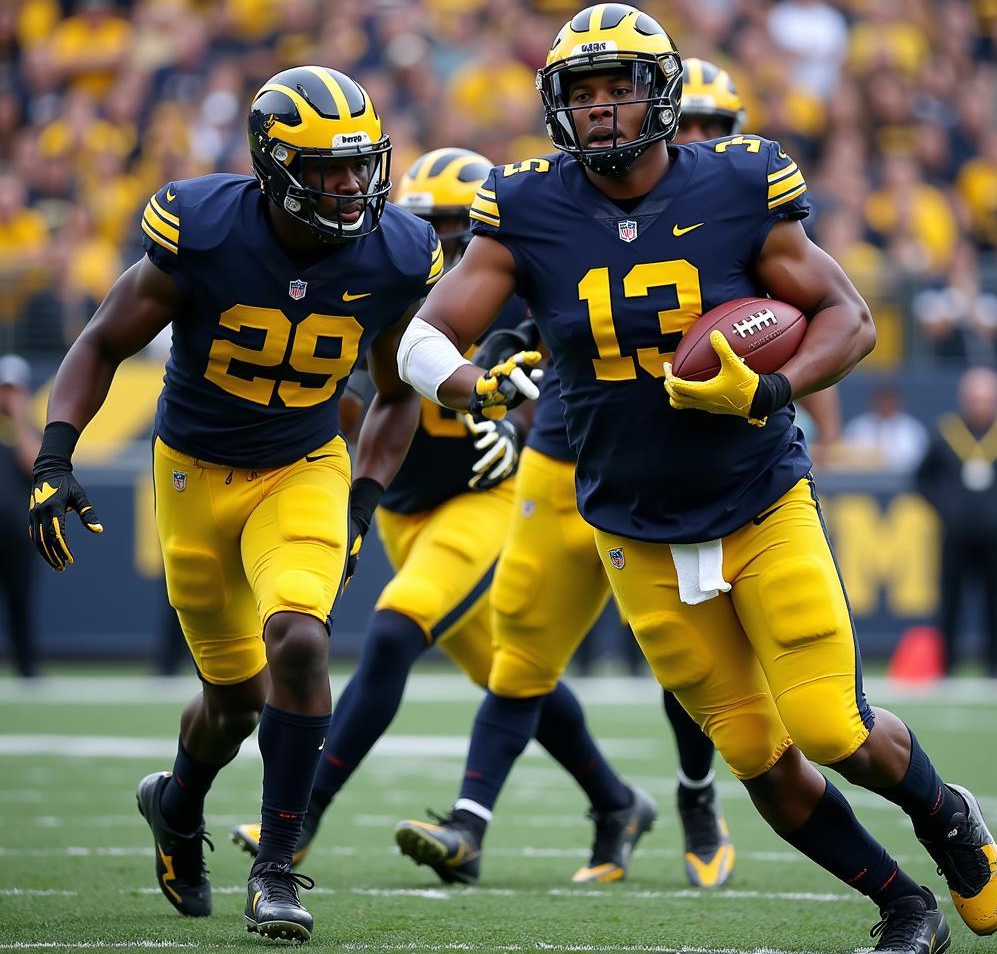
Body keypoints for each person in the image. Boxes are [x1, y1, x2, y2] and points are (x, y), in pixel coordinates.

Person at [394, 5, 997, 952]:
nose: (602, 110)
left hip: (759, 501)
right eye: (583, 93)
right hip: (632, 529)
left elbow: (849, 318)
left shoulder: (738, 185)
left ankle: (946, 818)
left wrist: (770, 390)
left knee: (830, 728)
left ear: (664, 93)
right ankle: (902, 904)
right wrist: (477, 383)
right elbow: (423, 339)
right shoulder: (525, 205)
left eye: (621, 87)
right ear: (558, 107)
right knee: (758, 757)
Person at [26, 65, 444, 943]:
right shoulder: (206, 230)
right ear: (273, 166)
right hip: (193, 473)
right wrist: (54, 457)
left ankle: (276, 869)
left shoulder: (398, 251)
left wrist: (363, 500)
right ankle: (177, 805)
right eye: (327, 169)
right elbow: (102, 339)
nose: (349, 185)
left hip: (304, 464)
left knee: (300, 636)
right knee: (234, 703)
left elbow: (399, 389)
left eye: (359, 165)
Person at [229, 148, 653, 884]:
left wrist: (518, 429)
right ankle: (616, 803)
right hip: (404, 511)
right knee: (513, 674)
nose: (448, 247)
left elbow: (566, 387)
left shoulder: (519, 290)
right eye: (431, 226)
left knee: (394, 629)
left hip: (484, 498)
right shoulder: (375, 280)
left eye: (462, 227)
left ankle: (298, 822)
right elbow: (362, 400)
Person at [396, 61, 756, 893]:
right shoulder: (570, 198)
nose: (695, 141)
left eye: (714, 128)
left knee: (692, 657)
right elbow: (519, 303)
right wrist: (493, 372)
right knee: (521, 640)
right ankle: (470, 824)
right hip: (571, 444)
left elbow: (813, 315)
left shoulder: (744, 206)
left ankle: (698, 794)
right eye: (688, 121)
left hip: (702, 457)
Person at [915, 367, 997, 677]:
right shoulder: (947, 435)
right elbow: (922, 478)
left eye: (987, 399)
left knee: (996, 602)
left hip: (995, 537)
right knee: (951, 601)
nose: (981, 405)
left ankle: (996, 667)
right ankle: (947, 666)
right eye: (976, 398)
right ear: (964, 399)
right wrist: (944, 508)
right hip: (956, 534)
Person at [0, 354, 40, 678]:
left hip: (15, 535)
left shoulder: (27, 429)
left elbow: (34, 466)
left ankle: (27, 670)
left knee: (21, 603)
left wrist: (19, 417)